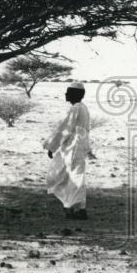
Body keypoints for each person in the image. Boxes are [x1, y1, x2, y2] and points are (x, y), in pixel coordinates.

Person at [42, 82, 92, 220]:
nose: (65, 94)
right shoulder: (83, 107)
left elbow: (65, 128)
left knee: (71, 177)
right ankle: (79, 209)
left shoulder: (75, 108)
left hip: (73, 147)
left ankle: (70, 208)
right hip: (78, 147)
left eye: (68, 92)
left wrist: (52, 146)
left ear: (75, 94)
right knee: (75, 176)